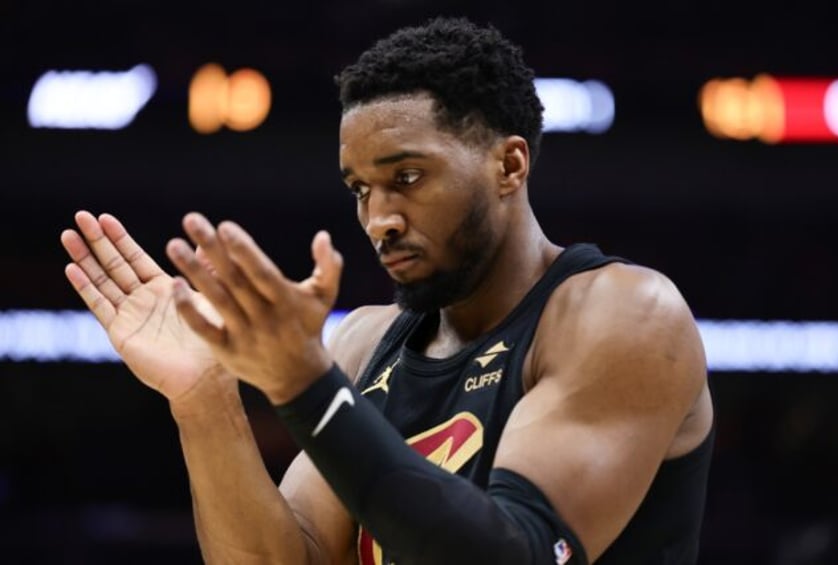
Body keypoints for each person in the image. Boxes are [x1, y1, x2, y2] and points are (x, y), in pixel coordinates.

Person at [60, 16, 714, 565]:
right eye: (360, 189)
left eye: (407, 176)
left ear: (509, 164)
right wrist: (205, 402)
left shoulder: (626, 315)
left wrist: (309, 389)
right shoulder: (366, 340)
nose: (379, 219)